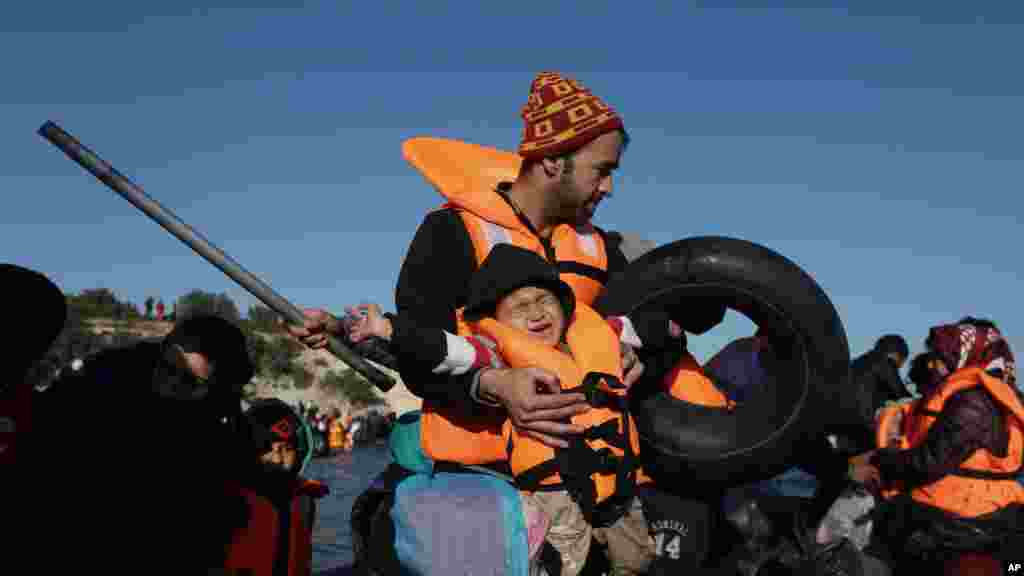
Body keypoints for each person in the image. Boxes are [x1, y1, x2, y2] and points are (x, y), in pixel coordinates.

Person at [286, 71, 726, 573]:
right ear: (553, 161)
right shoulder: (450, 233)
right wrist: (495, 385)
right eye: (601, 171)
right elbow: (419, 352)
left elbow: (661, 328)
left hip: (598, 482)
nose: (609, 187)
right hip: (487, 483)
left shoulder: (602, 248)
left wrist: (638, 355)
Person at [349, 244, 655, 575]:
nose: (537, 313)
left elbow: (649, 320)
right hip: (553, 491)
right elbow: (438, 347)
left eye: (545, 301)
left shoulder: (598, 332)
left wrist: (639, 345)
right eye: (521, 307)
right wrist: (388, 329)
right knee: (566, 567)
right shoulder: (493, 351)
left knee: (637, 561)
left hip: (618, 485)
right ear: (497, 319)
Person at [32, 314, 255, 571]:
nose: (172, 383)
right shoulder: (98, 383)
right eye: (170, 368)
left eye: (193, 383)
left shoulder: (218, 426)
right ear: (166, 350)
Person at [849, 320, 1022, 570]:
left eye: (938, 357)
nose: (934, 365)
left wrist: (880, 459)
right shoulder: (993, 395)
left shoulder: (972, 401)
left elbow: (927, 462)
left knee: (882, 529)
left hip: (959, 522)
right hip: (983, 512)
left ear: (964, 354)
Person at [224, 398, 329, 575]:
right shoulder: (228, 497)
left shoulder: (304, 500)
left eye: (286, 449)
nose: (277, 459)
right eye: (266, 450)